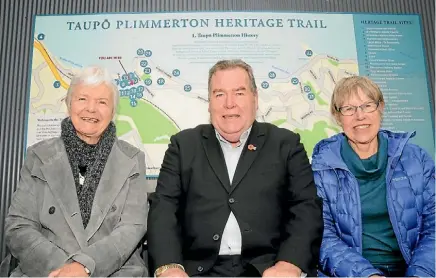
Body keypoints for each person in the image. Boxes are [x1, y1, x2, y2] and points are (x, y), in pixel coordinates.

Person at [147, 59, 323, 277]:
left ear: (255, 99)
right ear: (209, 101)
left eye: (239, 93)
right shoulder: (183, 145)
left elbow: (306, 208)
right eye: (219, 94)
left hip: (269, 269)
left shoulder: (286, 144)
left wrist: (290, 264)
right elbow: (163, 209)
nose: (229, 103)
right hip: (196, 271)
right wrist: (169, 266)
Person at [4, 66, 148, 277]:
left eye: (102, 102)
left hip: (114, 272)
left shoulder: (132, 159)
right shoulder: (38, 156)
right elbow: (19, 225)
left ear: (113, 112)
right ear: (68, 104)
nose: (91, 109)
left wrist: (85, 266)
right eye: (82, 99)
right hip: (48, 271)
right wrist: (65, 269)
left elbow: (132, 227)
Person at [312, 76, 435, 277]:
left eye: (367, 105)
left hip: (414, 268)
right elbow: (323, 237)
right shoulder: (321, 168)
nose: (360, 116)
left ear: (381, 108)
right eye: (348, 109)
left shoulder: (417, 159)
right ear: (337, 116)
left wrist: (419, 274)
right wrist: (367, 275)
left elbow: (434, 226)